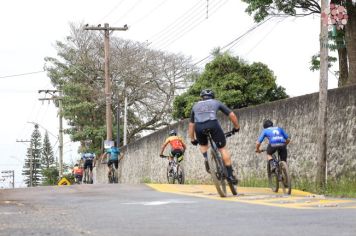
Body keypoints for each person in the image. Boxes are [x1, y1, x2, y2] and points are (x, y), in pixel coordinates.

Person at [188, 89, 240, 184]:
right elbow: (231, 114)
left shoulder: (195, 106)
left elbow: (191, 124)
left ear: (202, 97)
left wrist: (192, 139)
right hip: (213, 124)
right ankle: (230, 175)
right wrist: (236, 127)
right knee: (222, 148)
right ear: (212, 96)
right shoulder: (216, 102)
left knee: (203, 145)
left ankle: (208, 159)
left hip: (199, 127)